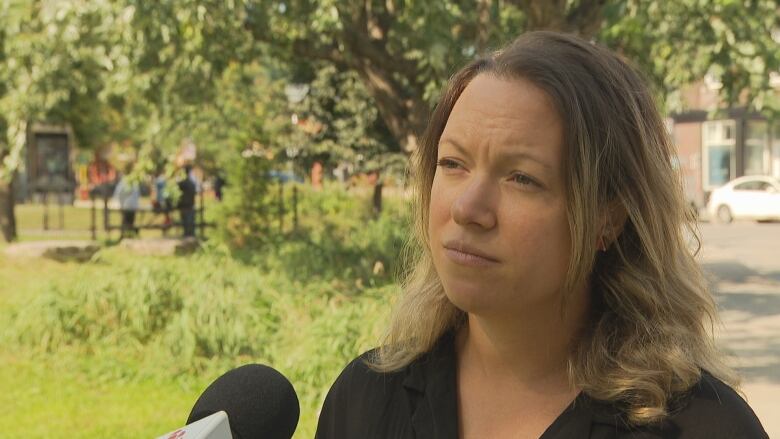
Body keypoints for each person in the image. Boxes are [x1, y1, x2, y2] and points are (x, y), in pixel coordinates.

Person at [315, 32, 768, 438]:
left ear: (607, 217)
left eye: (521, 178)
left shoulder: (704, 426)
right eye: (452, 164)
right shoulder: (366, 400)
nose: (467, 208)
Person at [113, 169, 140, 239]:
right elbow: (137, 195)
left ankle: (124, 236)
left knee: (125, 221)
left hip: (126, 206)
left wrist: (119, 203)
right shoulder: (135, 182)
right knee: (130, 221)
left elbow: (117, 194)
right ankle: (129, 235)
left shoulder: (123, 182)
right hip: (133, 206)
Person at [177, 165, 197, 238]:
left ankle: (188, 234)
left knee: (187, 221)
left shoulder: (183, 183)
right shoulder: (191, 183)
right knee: (189, 220)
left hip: (186, 204)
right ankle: (189, 234)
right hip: (189, 204)